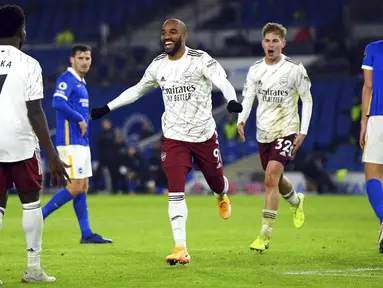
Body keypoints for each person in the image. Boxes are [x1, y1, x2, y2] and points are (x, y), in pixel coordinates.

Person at [91, 19, 243, 265]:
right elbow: (137, 89)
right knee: (175, 191)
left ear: (184, 35)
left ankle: (221, 194)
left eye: (172, 32)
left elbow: (222, 80)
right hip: (173, 138)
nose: (166, 36)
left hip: (204, 136)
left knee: (216, 183)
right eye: (163, 33)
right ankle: (180, 247)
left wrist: (231, 100)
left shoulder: (200, 59)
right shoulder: (158, 65)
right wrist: (107, 107)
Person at [0, 4, 70, 283]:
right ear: (22, 31)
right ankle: (32, 269)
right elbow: (35, 112)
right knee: (30, 204)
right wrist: (52, 154)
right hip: (20, 144)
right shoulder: (30, 65)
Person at [237, 22, 313, 253]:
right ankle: (296, 201)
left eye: (275, 41)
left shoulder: (294, 69)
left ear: (283, 43)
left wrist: (303, 131)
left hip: (287, 129)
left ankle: (265, 235)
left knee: (270, 178)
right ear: (263, 43)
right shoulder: (255, 70)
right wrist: (241, 119)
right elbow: (248, 97)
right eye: (267, 41)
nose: (271, 45)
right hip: (264, 132)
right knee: (276, 180)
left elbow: (307, 100)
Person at [41, 44, 112, 244]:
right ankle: (40, 216)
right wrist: (79, 119)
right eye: (81, 58)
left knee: (84, 186)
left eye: (88, 58)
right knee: (76, 186)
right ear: (72, 59)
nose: (85, 62)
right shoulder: (67, 79)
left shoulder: (81, 83)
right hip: (70, 141)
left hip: (81, 142)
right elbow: (57, 102)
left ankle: (86, 233)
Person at [360, 40, 383, 253]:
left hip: (378, 118)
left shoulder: (374, 49)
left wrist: (363, 123)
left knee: (373, 177)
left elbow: (368, 87)